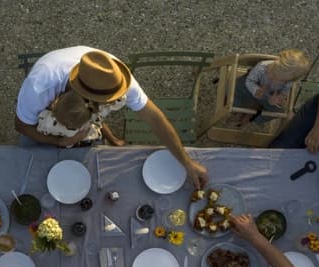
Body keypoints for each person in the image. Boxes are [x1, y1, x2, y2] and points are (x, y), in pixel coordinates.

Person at [15, 46, 208, 188]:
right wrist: (59, 142)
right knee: (35, 180)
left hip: (73, 132)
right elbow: (22, 126)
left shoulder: (115, 83)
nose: (110, 104)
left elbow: (155, 119)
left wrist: (187, 163)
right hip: (39, 131)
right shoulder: (40, 87)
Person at [232, 49, 310, 125]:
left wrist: (278, 98)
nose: (272, 79)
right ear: (276, 62)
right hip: (251, 86)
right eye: (272, 73)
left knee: (280, 111)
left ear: (289, 80)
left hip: (268, 95)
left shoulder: (289, 82)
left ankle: (254, 118)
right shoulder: (262, 66)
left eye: (279, 80)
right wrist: (256, 89)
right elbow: (249, 81)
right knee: (236, 85)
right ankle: (236, 110)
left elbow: (284, 92)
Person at [36, 89, 126, 146]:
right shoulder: (94, 113)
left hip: (66, 146)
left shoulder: (49, 123)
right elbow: (120, 100)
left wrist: (48, 108)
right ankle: (113, 140)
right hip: (92, 140)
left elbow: (40, 126)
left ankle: (112, 140)